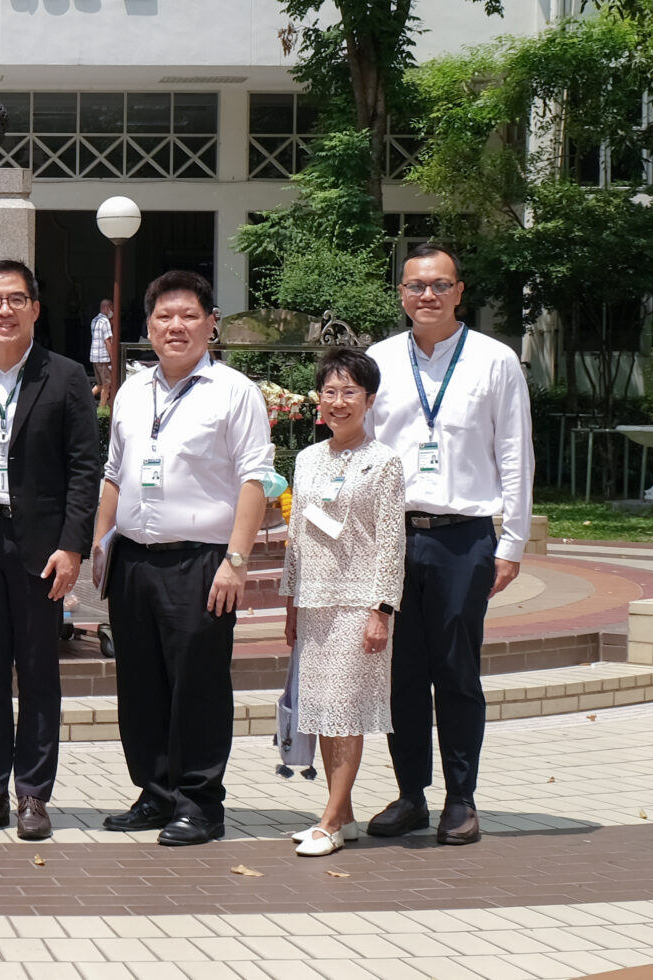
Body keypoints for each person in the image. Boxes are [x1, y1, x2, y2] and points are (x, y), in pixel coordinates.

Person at [93, 270, 273, 846]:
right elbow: (114, 472)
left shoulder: (234, 392)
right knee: (140, 684)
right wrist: (101, 543)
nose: (176, 326)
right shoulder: (131, 390)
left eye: (189, 316)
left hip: (202, 563)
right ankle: (155, 793)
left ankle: (200, 803)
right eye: (164, 316)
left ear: (210, 323)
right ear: (148, 326)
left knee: (198, 687)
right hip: (134, 561)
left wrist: (236, 561)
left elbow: (255, 479)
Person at [365, 244, 533, 846]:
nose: (427, 295)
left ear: (460, 291)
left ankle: (461, 798)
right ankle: (411, 793)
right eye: (416, 285)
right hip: (393, 537)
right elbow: (365, 451)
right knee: (400, 674)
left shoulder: (495, 360)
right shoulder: (379, 360)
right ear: (402, 293)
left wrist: (512, 542)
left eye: (440, 285)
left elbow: (514, 452)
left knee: (457, 672)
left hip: (464, 539)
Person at [0, 260, 99, 840]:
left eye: (15, 299)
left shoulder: (66, 376)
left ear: (34, 307)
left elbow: (85, 468)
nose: (4, 310)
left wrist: (73, 546)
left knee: (38, 674)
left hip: (40, 550)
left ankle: (33, 794)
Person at [279, 346, 406, 857]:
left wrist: (382, 610)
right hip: (314, 602)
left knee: (345, 712)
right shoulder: (308, 459)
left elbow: (392, 542)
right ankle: (345, 814)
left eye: (349, 392)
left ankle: (329, 822)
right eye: (329, 391)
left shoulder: (384, 462)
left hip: (358, 603)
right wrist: (291, 602)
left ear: (369, 400)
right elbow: (296, 536)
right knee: (321, 710)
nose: (338, 402)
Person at [89, 298, 115, 399]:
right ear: (108, 308)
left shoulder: (94, 320)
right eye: (112, 309)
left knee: (100, 384)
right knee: (106, 384)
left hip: (94, 356)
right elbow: (107, 341)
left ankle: (85, 399)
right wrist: (112, 357)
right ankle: (102, 406)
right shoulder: (105, 322)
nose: (113, 312)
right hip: (103, 358)